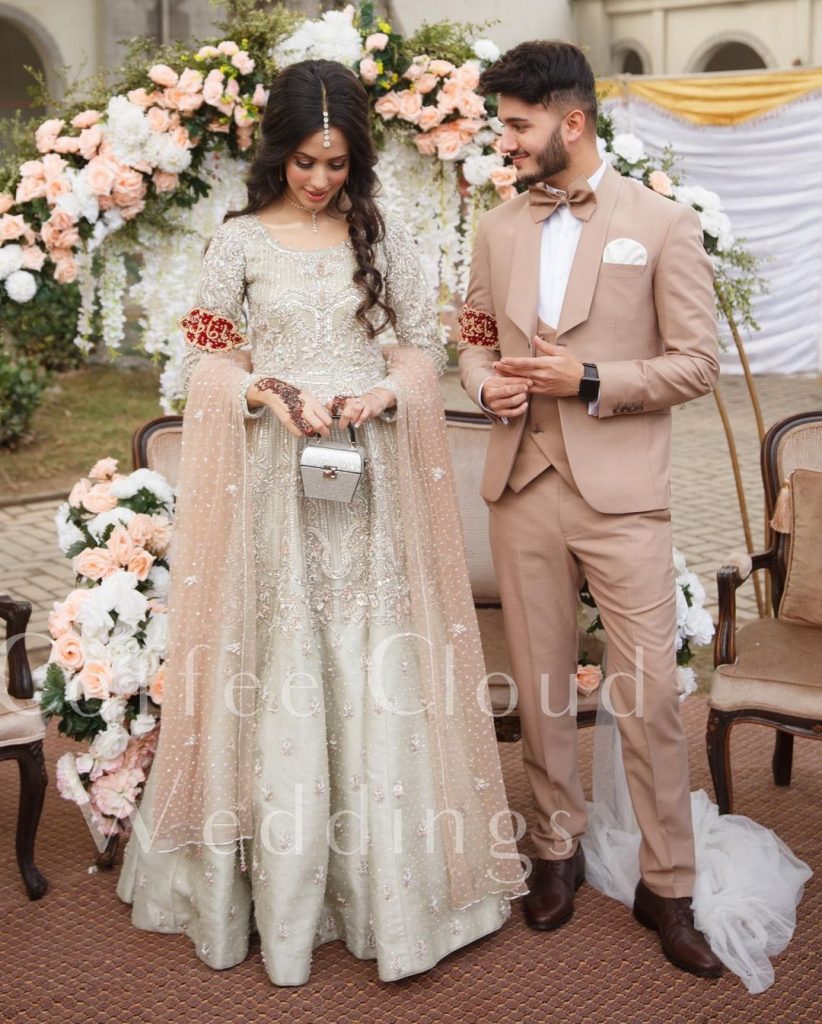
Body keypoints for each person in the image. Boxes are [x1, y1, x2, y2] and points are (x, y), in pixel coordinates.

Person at [117, 58, 527, 987]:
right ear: (278, 154)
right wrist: (260, 388)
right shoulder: (238, 245)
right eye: (306, 162)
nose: (320, 181)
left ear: (359, 162)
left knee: (370, 659)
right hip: (272, 481)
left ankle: (389, 895)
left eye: (337, 164)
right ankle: (277, 899)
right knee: (285, 660)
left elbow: (421, 350)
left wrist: (384, 392)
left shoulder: (384, 237)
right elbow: (202, 362)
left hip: (364, 479)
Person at [458, 40, 725, 977]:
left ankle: (670, 885)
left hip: (621, 501)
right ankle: (555, 853)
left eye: (519, 125)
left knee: (649, 695)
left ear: (572, 121)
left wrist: (595, 377)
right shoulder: (496, 228)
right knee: (539, 691)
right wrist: (484, 383)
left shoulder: (662, 224)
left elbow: (698, 363)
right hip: (522, 488)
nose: (508, 142)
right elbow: (474, 338)